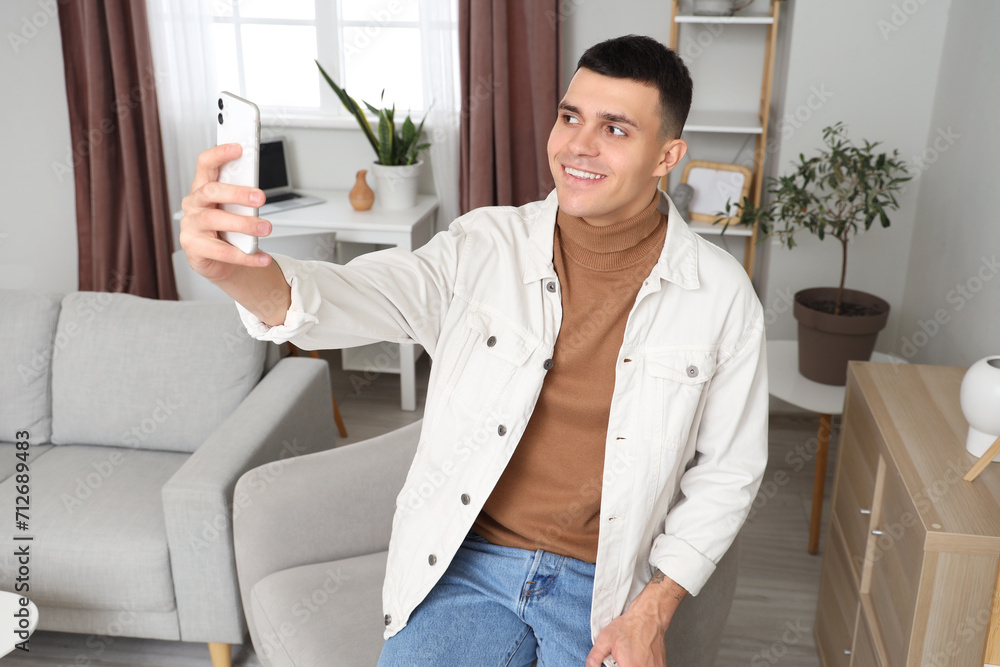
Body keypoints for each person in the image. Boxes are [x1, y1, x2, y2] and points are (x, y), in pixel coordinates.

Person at [180, 34, 767, 667]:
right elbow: (344, 296)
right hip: (466, 567)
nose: (578, 145)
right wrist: (232, 271)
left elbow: (727, 474)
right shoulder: (482, 246)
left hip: (604, 589)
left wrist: (651, 611)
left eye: (615, 130)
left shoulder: (722, 296)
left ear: (666, 156)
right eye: (570, 117)